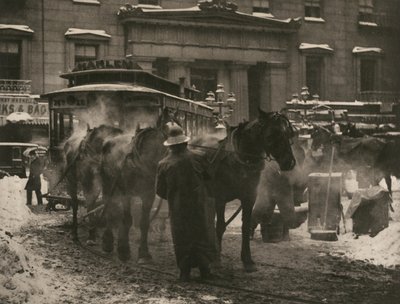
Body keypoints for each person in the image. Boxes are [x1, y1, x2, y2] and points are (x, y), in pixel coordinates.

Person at [156, 124, 217, 282]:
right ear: (185, 143)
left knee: (181, 238)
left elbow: (160, 191)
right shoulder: (199, 157)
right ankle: (205, 271)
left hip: (178, 208)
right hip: (199, 205)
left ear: (170, 145)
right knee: (201, 235)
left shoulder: (163, 164)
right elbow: (210, 176)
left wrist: (174, 196)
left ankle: (184, 272)